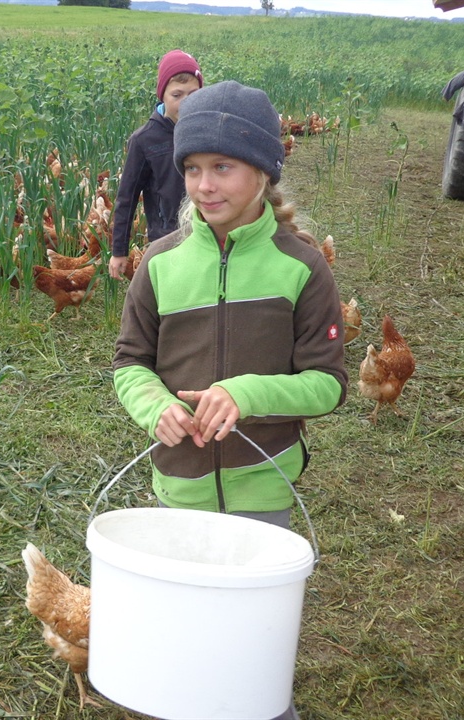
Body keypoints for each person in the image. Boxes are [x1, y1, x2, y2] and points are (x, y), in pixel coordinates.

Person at [112, 79, 346, 720]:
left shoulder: (301, 268)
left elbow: (326, 383)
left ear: (264, 172)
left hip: (262, 493)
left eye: (223, 167)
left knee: (250, 642)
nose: (204, 185)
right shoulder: (159, 266)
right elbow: (130, 364)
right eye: (192, 169)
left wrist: (243, 394)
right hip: (178, 490)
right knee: (183, 632)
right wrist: (152, 405)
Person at [108, 49, 204, 280]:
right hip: (167, 236)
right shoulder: (144, 140)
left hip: (208, 231)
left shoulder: (207, 131)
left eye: (193, 94)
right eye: (177, 95)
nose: (185, 103)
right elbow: (127, 197)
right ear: (162, 95)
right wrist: (119, 251)